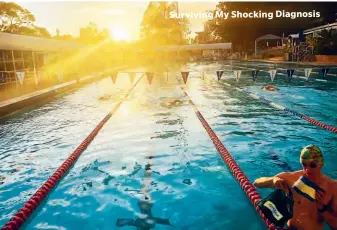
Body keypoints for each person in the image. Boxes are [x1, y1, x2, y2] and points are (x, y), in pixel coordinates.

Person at [254, 145, 337, 230]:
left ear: (321, 164)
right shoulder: (292, 178)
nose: (307, 170)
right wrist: (274, 180)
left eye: (312, 165)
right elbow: (257, 183)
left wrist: (322, 208)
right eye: (304, 164)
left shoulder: (332, 188)